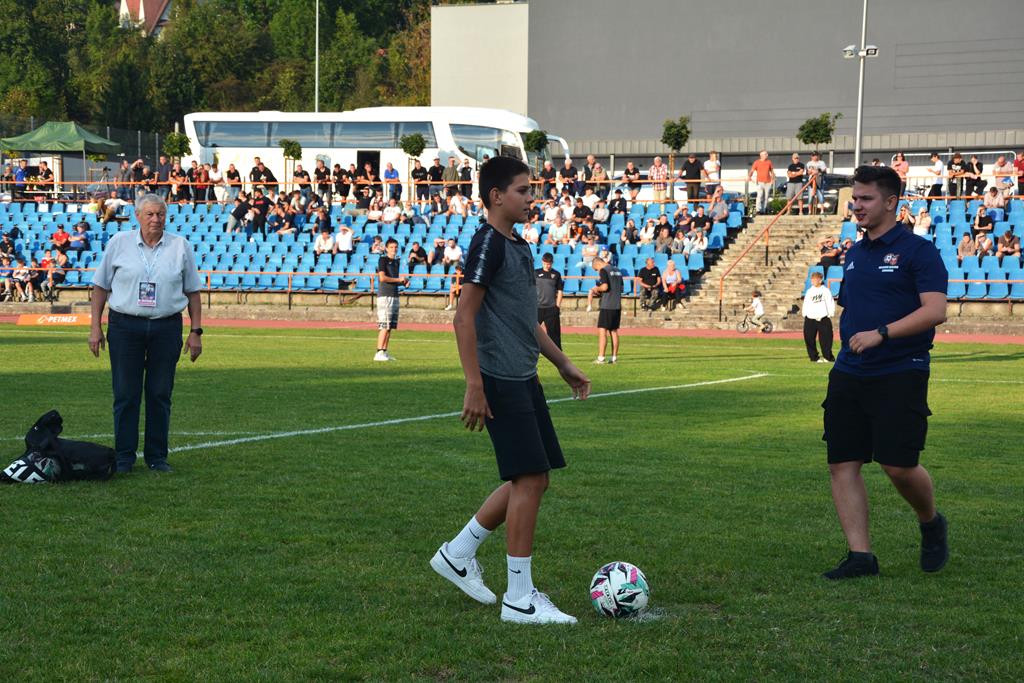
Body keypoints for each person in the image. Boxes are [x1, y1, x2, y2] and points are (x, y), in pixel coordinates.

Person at [431, 156, 590, 625]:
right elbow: (463, 318)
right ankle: (519, 599)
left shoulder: (517, 245)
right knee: (529, 479)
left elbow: (527, 322)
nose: (531, 198)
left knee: (535, 478)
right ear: (496, 196)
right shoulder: (488, 243)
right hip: (500, 378)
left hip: (524, 376)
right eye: (522, 190)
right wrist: (474, 385)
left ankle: (458, 554)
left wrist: (562, 362)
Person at [820, 165, 948, 581]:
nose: (856, 205)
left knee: (898, 466)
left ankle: (931, 522)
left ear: (891, 202)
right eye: (854, 198)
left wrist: (883, 333)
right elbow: (852, 308)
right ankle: (861, 557)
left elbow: (936, 311)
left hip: (901, 370)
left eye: (866, 198)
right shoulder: (855, 253)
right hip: (849, 371)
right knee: (843, 462)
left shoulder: (919, 252)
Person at [88, 194, 203, 473]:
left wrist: (196, 331)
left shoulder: (180, 246)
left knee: (160, 393)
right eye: (150, 214)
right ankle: (124, 457)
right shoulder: (119, 243)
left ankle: (156, 457)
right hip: (125, 327)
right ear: (137, 216)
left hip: (166, 327)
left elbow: (193, 292)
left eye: (160, 214)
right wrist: (95, 327)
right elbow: (100, 287)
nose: (156, 219)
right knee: (125, 394)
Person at [374, 238, 407, 362]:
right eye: (391, 247)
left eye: (396, 247)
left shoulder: (396, 262)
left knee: (390, 326)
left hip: (394, 294)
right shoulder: (382, 260)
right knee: (384, 325)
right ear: (387, 248)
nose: (394, 249)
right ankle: (378, 352)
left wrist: (403, 283)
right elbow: (382, 278)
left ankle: (384, 351)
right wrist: (399, 280)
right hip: (385, 295)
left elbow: (393, 280)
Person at [589, 255, 623, 364]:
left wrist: (596, 289)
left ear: (598, 264)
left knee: (602, 330)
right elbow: (621, 288)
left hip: (607, 305)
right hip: (617, 304)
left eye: (596, 269)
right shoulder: (617, 270)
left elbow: (605, 287)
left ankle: (601, 357)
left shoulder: (604, 270)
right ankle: (614, 358)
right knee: (614, 331)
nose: (597, 272)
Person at [802, 271, 836, 363]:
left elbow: (830, 302)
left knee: (826, 339)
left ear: (820, 280)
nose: (813, 281)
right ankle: (814, 357)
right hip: (810, 318)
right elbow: (806, 303)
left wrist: (830, 314)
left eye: (815, 279)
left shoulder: (825, 291)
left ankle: (828, 357)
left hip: (823, 318)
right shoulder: (809, 291)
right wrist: (805, 314)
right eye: (812, 279)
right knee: (809, 338)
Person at [535, 253, 564, 349]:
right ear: (542, 262)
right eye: (545, 263)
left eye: (549, 264)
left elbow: (560, 291)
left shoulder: (556, 274)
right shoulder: (535, 273)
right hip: (537, 308)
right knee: (531, 331)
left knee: (554, 334)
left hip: (551, 308)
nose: (547, 266)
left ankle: (558, 353)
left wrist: (557, 306)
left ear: (552, 263)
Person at [749, 150, 775, 214]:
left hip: (768, 182)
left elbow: (772, 171)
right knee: (759, 195)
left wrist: (773, 179)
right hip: (760, 182)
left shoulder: (769, 162)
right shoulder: (756, 162)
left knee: (766, 197)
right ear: (761, 155)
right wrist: (749, 176)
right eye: (765, 154)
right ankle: (758, 210)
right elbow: (752, 170)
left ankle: (764, 210)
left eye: (767, 154)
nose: (767, 155)